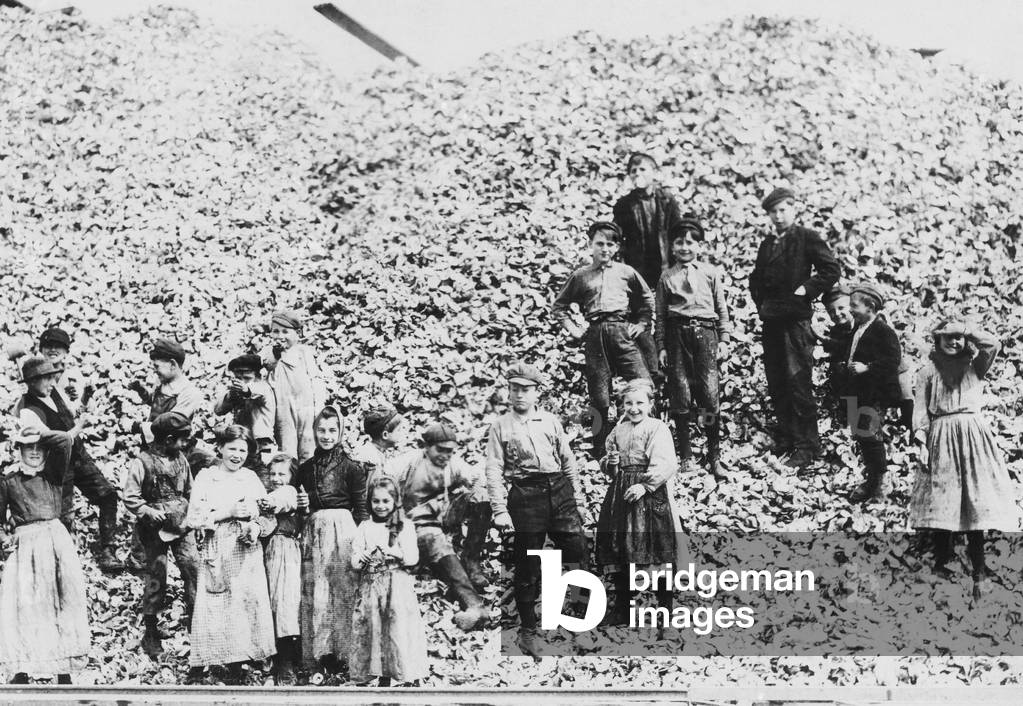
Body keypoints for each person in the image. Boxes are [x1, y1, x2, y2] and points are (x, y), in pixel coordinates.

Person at [908, 321, 1019, 601]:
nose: (954, 343)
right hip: (941, 435)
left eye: (958, 338)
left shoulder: (976, 366)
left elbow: (993, 343)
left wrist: (968, 331)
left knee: (974, 499)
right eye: (948, 337)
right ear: (937, 339)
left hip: (973, 436)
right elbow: (920, 409)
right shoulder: (928, 371)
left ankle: (978, 568)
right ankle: (942, 563)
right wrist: (921, 443)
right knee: (943, 498)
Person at [484, 361, 589, 657]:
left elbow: (568, 461)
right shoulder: (500, 426)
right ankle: (528, 631)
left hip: (559, 491)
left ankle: (580, 625)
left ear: (537, 393)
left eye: (525, 390)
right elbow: (493, 468)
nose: (518, 395)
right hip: (525, 494)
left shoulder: (550, 421)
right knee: (528, 565)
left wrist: (578, 501)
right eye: (514, 389)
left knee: (579, 555)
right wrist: (500, 510)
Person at [748, 187, 840, 469]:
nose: (777, 216)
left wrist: (805, 290)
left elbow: (830, 270)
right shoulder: (768, 244)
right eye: (772, 212)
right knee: (777, 382)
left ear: (793, 209)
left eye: (782, 210)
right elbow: (756, 278)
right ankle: (789, 437)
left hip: (795, 323)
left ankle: (808, 446)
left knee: (797, 381)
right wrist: (761, 304)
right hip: (771, 320)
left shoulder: (807, 238)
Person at [552, 221, 653, 457]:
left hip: (621, 330)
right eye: (599, 244)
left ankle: (643, 441)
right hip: (595, 333)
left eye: (610, 244)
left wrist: (641, 323)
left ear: (617, 247)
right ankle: (601, 449)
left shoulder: (627, 273)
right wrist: (575, 330)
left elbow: (647, 300)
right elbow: (559, 306)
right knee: (599, 396)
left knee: (643, 384)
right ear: (590, 245)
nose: (604, 249)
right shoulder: (581, 275)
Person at [186, 425, 276, 684]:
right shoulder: (207, 476)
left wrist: (255, 528)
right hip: (217, 547)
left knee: (242, 603)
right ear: (220, 448)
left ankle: (238, 661)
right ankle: (205, 662)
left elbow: (267, 515)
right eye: (232, 448)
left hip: (245, 549)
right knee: (214, 604)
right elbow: (194, 517)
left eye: (243, 450)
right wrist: (227, 511)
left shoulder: (249, 478)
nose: (237, 455)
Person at [14, 356, 122, 571]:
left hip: (79, 456)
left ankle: (108, 550)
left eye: (51, 378)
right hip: (56, 467)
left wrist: (85, 398)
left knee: (108, 495)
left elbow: (70, 413)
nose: (51, 383)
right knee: (63, 517)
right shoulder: (26, 410)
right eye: (45, 379)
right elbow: (58, 440)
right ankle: (63, 565)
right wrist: (80, 426)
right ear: (31, 382)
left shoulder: (53, 392)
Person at [0, 422, 89, 684]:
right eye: (28, 447)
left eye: (39, 447)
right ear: (19, 449)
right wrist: (4, 539)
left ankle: (64, 670)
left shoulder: (53, 474)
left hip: (55, 541)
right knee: (24, 606)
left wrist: (39, 432)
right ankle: (21, 670)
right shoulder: (9, 481)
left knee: (63, 602)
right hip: (25, 545)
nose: (35, 452)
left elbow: (65, 441)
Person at [596, 380, 681, 626]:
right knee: (621, 546)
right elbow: (610, 468)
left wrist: (644, 486)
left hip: (650, 495)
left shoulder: (657, 427)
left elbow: (666, 463)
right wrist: (611, 463)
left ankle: (665, 610)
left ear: (650, 404)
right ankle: (624, 608)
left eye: (640, 403)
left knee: (656, 547)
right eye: (628, 403)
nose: (634, 408)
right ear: (621, 405)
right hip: (621, 495)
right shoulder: (618, 430)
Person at [389, 422, 490, 630]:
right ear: (425, 446)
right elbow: (380, 487)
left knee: (481, 499)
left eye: (450, 451)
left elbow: (476, 478)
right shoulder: (407, 463)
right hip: (412, 525)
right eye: (440, 450)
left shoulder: (452, 463)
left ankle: (471, 560)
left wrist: (478, 491)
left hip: (442, 516)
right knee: (435, 539)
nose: (445, 455)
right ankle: (474, 605)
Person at [293, 405, 368, 675]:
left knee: (342, 591)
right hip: (314, 532)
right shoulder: (305, 469)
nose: (326, 436)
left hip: (343, 532)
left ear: (341, 432)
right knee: (317, 594)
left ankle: (345, 655)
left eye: (332, 430)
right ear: (314, 432)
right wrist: (303, 508)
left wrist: (362, 542)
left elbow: (361, 509)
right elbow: (301, 508)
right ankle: (320, 657)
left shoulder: (352, 467)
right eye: (321, 430)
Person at [654, 218, 731, 478]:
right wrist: (661, 346)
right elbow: (661, 316)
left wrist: (724, 339)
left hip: (706, 335)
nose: (685, 247)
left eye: (690, 242)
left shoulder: (710, 273)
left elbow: (722, 309)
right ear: (672, 247)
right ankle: (686, 456)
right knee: (681, 394)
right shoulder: (666, 277)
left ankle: (714, 455)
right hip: (677, 336)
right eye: (679, 242)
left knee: (709, 395)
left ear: (700, 245)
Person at [122, 411, 199, 658]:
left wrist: (191, 513)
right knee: (156, 574)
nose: (185, 444)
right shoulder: (142, 462)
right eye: (181, 440)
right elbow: (130, 496)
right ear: (167, 439)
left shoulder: (181, 460)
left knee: (192, 567)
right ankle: (151, 628)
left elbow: (190, 489)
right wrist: (146, 510)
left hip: (181, 524)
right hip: (153, 529)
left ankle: (197, 619)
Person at [349, 476, 428, 686]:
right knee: (374, 629)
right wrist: (363, 557)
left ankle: (406, 675)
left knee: (397, 629)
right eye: (376, 501)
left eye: (386, 501)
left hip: (397, 585)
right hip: (372, 585)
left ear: (395, 501)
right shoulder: (365, 526)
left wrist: (395, 552)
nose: (381, 506)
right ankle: (380, 676)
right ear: (369, 502)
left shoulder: (404, 526)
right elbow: (354, 561)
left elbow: (412, 558)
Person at [612, 152, 685, 381]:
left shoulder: (667, 200)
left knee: (668, 315)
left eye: (642, 169)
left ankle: (673, 363)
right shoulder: (624, 205)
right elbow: (618, 239)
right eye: (633, 171)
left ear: (655, 173)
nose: (637, 174)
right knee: (641, 316)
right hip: (638, 269)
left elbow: (677, 232)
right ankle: (652, 369)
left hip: (665, 266)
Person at [839, 285, 902, 503]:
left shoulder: (883, 330)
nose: (850, 310)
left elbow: (893, 360)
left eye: (854, 306)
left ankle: (882, 482)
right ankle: (872, 479)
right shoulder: (858, 327)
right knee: (861, 436)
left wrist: (868, 367)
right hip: (856, 392)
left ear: (870, 306)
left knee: (870, 435)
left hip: (874, 394)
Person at [257, 453, 303, 685]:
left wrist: (269, 503)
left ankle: (286, 661)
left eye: (282, 474)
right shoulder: (264, 493)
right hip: (263, 551)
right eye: (272, 474)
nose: (276, 478)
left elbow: (283, 498)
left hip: (284, 549)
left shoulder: (289, 492)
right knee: (267, 603)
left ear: (292, 476)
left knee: (284, 603)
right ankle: (270, 655)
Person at [261, 310, 329, 464]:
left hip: (306, 406)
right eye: (276, 332)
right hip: (283, 406)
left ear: (297, 334)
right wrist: (275, 354)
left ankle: (308, 480)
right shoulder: (270, 353)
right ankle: (290, 480)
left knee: (308, 443)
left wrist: (318, 407)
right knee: (287, 444)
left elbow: (315, 379)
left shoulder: (303, 352)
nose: (280, 336)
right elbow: (267, 367)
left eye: (285, 331)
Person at [214, 354, 277, 457]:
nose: (242, 382)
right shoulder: (236, 392)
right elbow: (218, 410)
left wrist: (246, 390)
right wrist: (231, 395)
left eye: (247, 378)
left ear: (258, 377)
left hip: (261, 447)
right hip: (242, 445)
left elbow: (254, 391)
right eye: (238, 378)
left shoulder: (263, 387)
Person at [351, 401, 410, 481]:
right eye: (399, 430)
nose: (403, 433)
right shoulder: (370, 460)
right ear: (385, 435)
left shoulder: (378, 452)